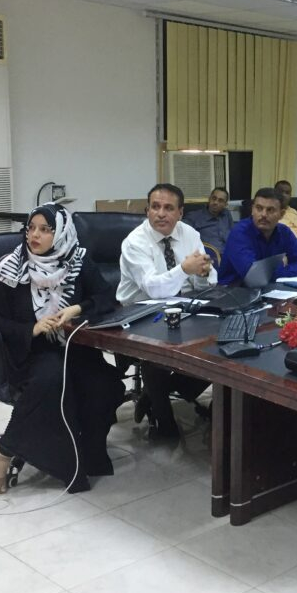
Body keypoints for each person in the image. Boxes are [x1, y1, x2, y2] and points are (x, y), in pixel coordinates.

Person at [0, 204, 124, 494]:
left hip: (74, 348)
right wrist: (29, 329)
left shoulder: (77, 260)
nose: (35, 235)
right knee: (51, 381)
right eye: (31, 228)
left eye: (45, 229)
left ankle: (88, 453)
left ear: (61, 234)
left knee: (105, 384)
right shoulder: (9, 268)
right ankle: (5, 450)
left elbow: (107, 298)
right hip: (29, 351)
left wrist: (77, 308)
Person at [117, 183, 216, 440]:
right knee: (156, 354)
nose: (161, 214)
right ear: (147, 210)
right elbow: (153, 289)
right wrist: (184, 269)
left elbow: (204, 282)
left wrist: (204, 273)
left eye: (169, 208)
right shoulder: (135, 242)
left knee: (218, 345)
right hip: (140, 311)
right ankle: (165, 421)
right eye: (155, 207)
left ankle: (155, 393)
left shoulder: (190, 234)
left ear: (180, 213)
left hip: (184, 306)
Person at [218, 187, 297, 285]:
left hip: (271, 288)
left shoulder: (284, 232)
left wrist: (274, 271)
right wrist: (281, 266)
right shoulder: (239, 233)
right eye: (259, 208)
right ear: (252, 210)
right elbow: (253, 275)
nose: (263, 214)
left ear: (281, 214)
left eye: (270, 210)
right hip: (233, 289)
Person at [183, 186, 234, 254]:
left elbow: (233, 235)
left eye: (220, 200)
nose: (215, 202)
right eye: (214, 198)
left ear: (225, 205)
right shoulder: (194, 216)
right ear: (209, 199)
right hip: (209, 256)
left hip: (230, 254)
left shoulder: (226, 214)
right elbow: (182, 233)